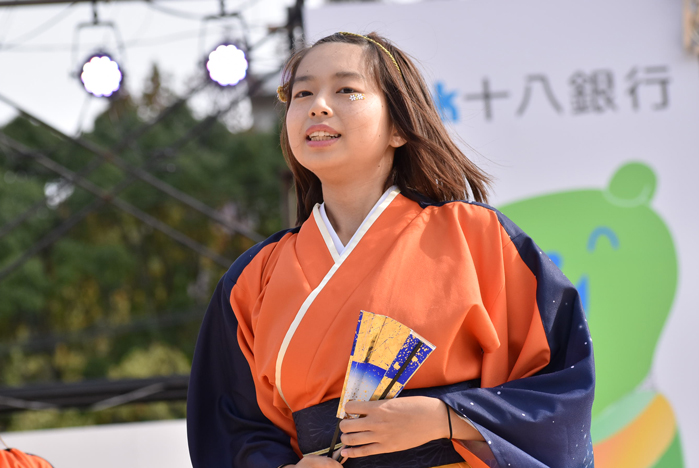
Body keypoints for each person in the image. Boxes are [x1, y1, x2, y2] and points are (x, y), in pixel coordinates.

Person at [187, 32, 595, 468]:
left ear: (398, 127)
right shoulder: (254, 277)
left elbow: (561, 383)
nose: (317, 105)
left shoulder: (476, 236)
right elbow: (231, 425)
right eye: (303, 92)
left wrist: (447, 418)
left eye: (346, 89)